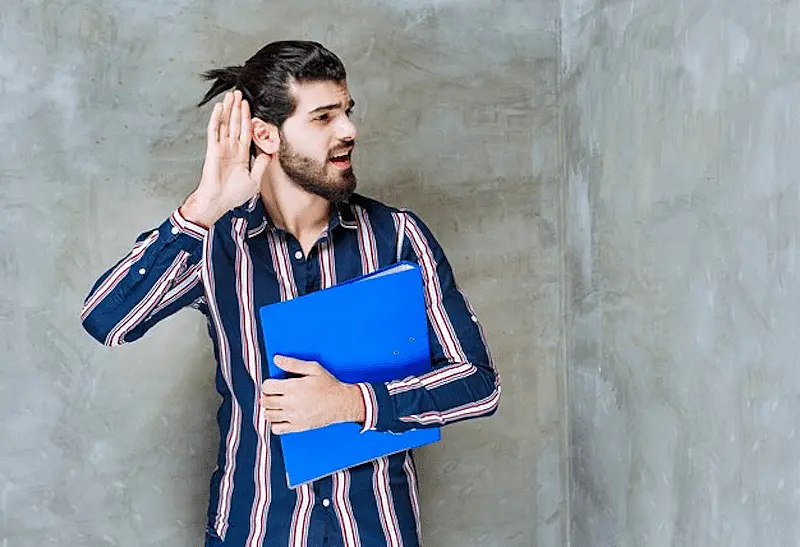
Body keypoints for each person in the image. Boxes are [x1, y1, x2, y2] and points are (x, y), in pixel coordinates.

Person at [81, 40, 501, 547]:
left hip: (375, 532)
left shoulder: (399, 237)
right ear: (266, 135)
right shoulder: (213, 244)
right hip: (256, 530)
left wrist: (354, 402)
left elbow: (480, 383)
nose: (349, 130)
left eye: (346, 111)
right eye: (323, 117)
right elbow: (106, 321)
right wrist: (202, 208)